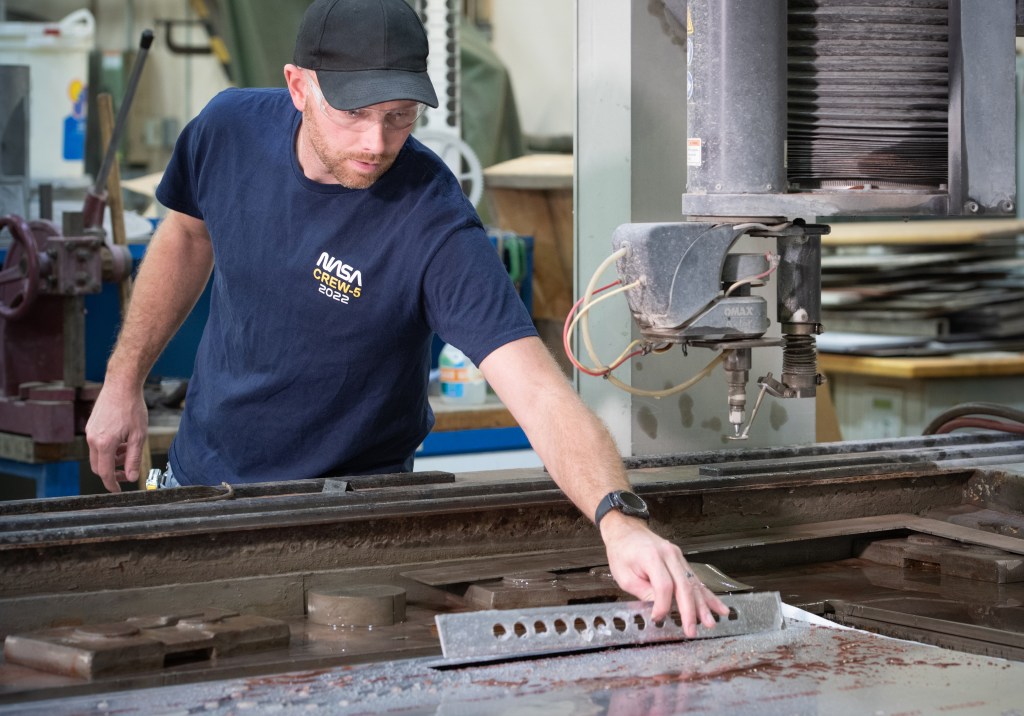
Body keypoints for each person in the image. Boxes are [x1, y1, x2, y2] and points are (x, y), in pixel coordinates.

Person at [85, 0, 729, 636]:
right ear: (298, 86)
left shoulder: (432, 222)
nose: (375, 143)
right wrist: (123, 381)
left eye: (399, 117)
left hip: (353, 530)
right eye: (354, 114)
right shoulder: (226, 131)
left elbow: (537, 392)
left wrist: (620, 519)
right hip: (204, 491)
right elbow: (187, 236)